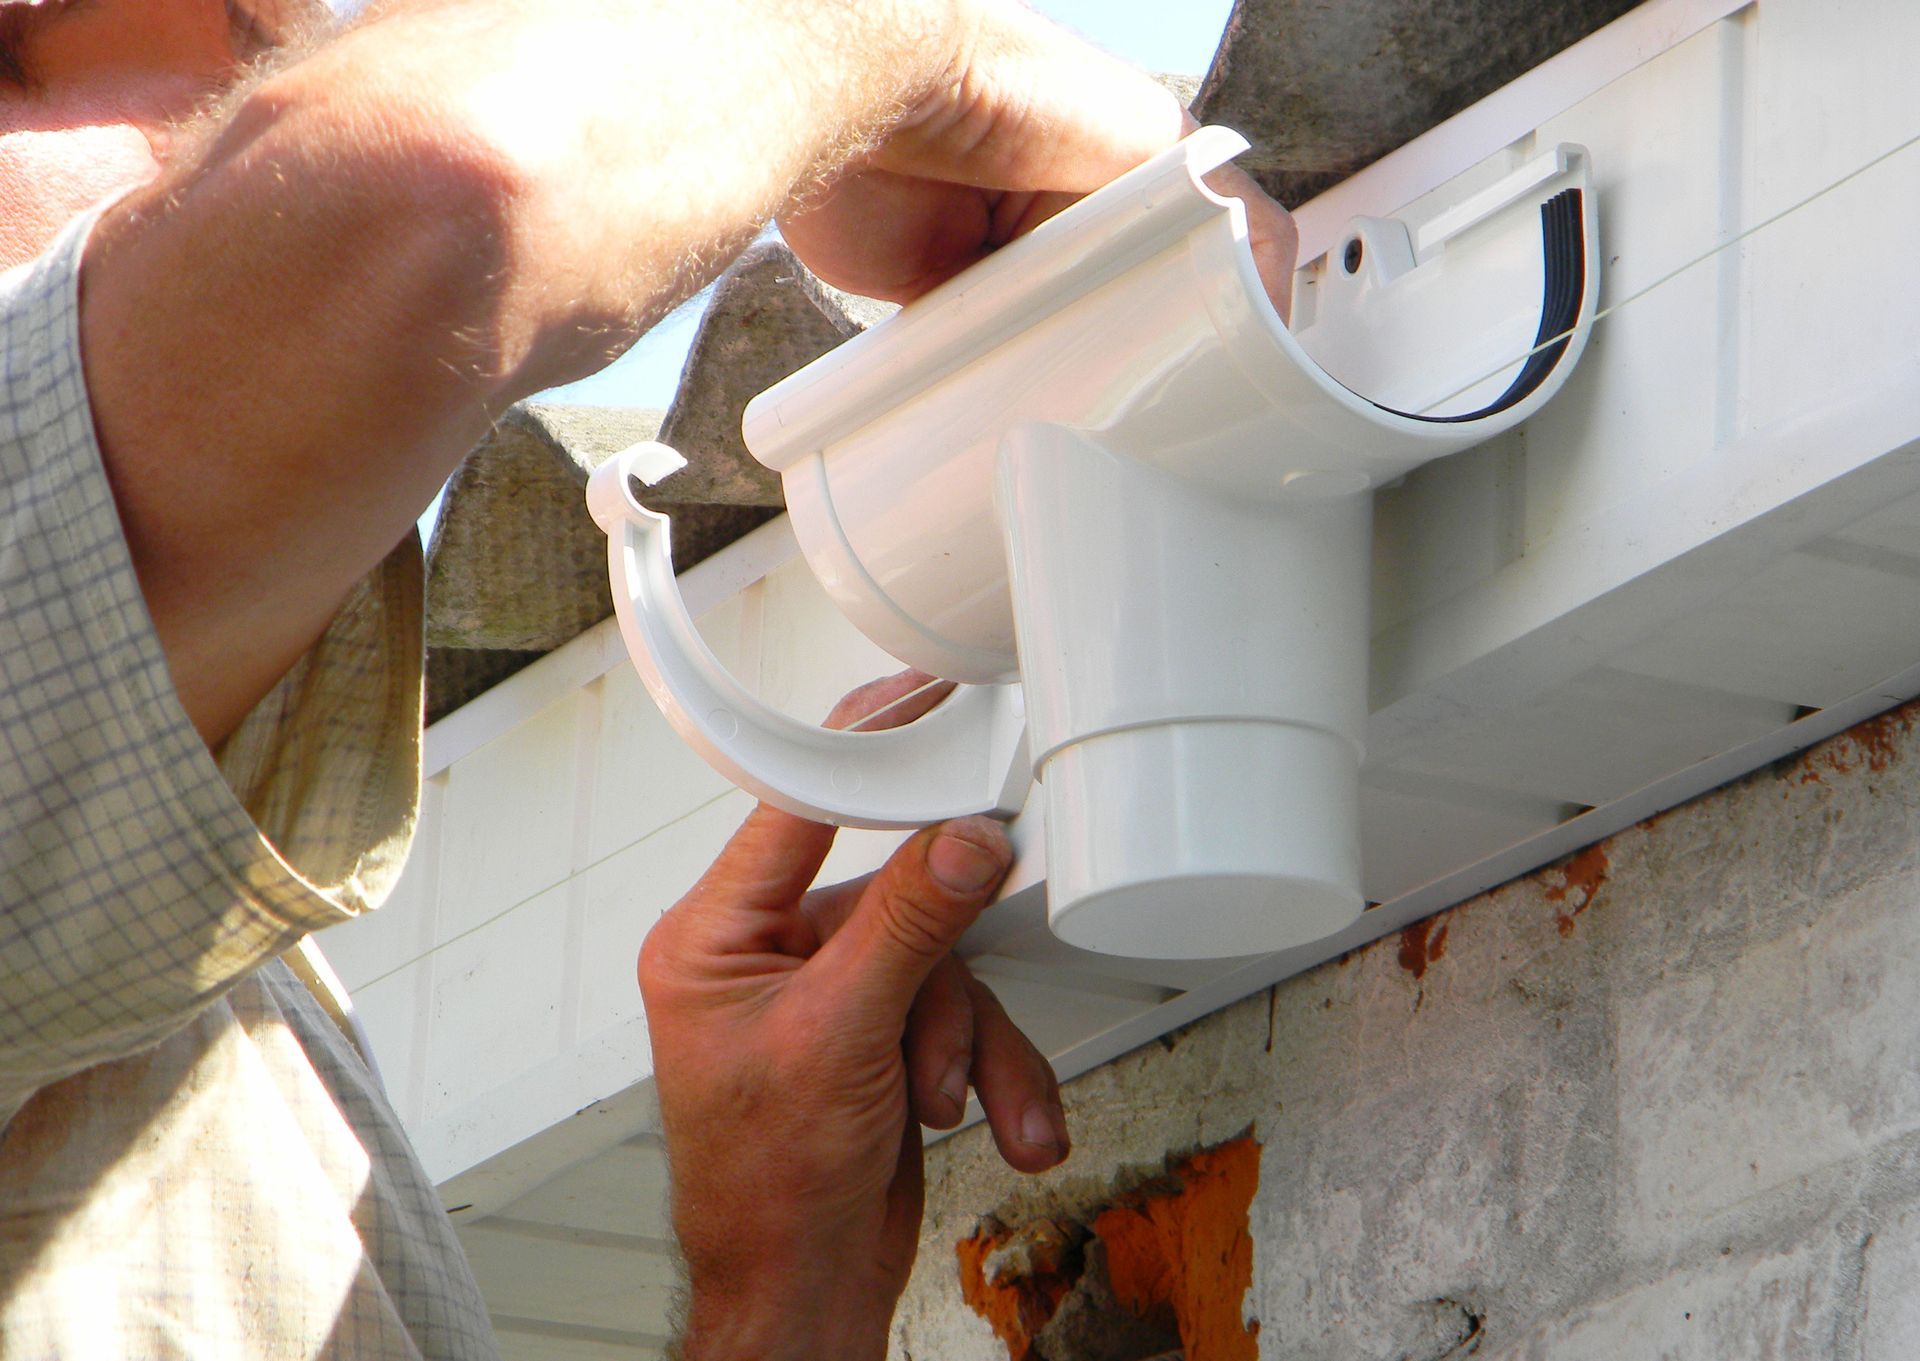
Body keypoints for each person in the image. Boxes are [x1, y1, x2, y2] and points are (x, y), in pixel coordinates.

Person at [0, 0, 1297, 1356]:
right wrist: (921, 57)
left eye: (249, 91)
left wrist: (770, 1292)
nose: (201, 171)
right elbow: (447, 176)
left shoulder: (187, 1041)